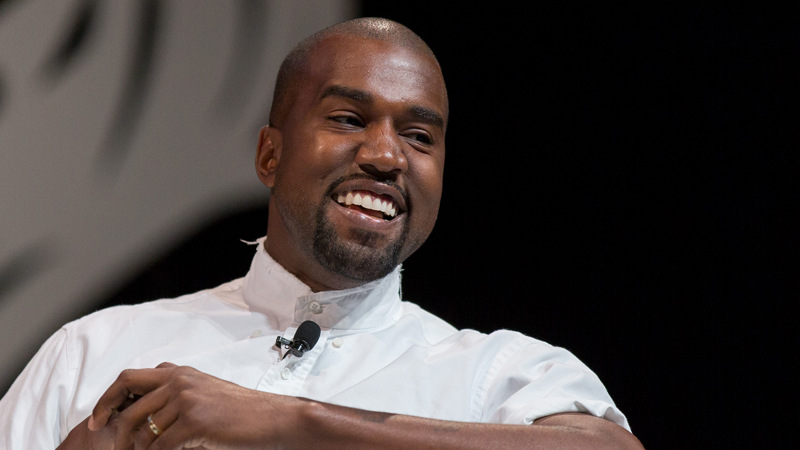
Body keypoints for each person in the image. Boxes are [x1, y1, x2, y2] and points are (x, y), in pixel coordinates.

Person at [0, 18, 644, 450]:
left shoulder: (491, 375)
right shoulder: (94, 352)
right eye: (348, 117)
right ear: (269, 157)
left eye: (420, 136)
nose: (388, 156)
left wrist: (290, 420)